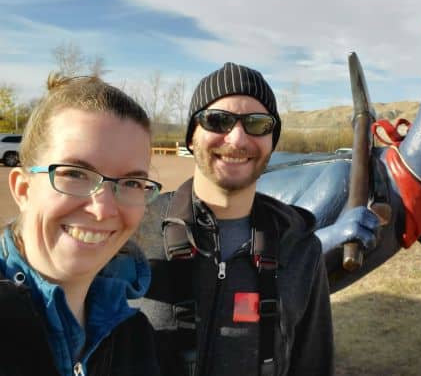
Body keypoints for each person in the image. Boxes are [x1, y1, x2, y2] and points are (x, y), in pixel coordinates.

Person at [137, 62, 380, 376]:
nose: (237, 139)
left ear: (271, 141)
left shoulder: (299, 248)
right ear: (191, 137)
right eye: (217, 121)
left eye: (257, 124)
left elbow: (313, 365)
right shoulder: (137, 230)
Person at [1, 73, 163, 376]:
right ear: (23, 189)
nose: (102, 210)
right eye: (75, 174)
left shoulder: (134, 336)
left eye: (131, 182)